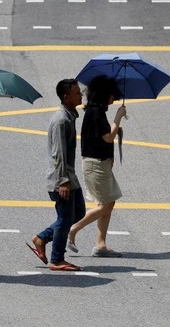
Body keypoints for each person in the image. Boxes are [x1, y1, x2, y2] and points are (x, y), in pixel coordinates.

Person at [26, 79, 85, 271]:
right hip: (62, 179)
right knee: (65, 218)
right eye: (77, 92)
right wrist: (63, 182)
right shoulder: (61, 120)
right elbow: (58, 153)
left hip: (68, 176)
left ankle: (42, 238)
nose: (81, 95)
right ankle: (57, 259)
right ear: (66, 97)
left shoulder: (69, 116)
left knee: (78, 213)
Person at [67, 76, 127, 258]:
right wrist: (118, 118)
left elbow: (103, 137)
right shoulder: (96, 113)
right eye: (112, 95)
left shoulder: (95, 112)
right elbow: (108, 137)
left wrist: (115, 129)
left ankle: (100, 244)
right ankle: (73, 229)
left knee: (107, 202)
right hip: (96, 165)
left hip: (100, 164)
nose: (114, 99)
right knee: (107, 204)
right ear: (104, 95)